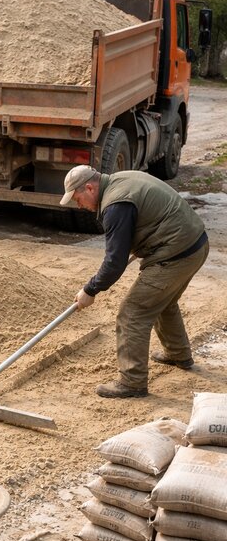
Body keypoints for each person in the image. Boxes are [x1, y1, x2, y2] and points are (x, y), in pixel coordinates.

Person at [60, 165, 209, 398]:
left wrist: (91, 289)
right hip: (195, 244)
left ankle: (132, 381)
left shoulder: (115, 206)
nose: (79, 205)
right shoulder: (122, 180)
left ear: (89, 187)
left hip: (176, 253)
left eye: (77, 198)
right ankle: (178, 354)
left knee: (132, 312)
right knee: (162, 302)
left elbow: (114, 262)